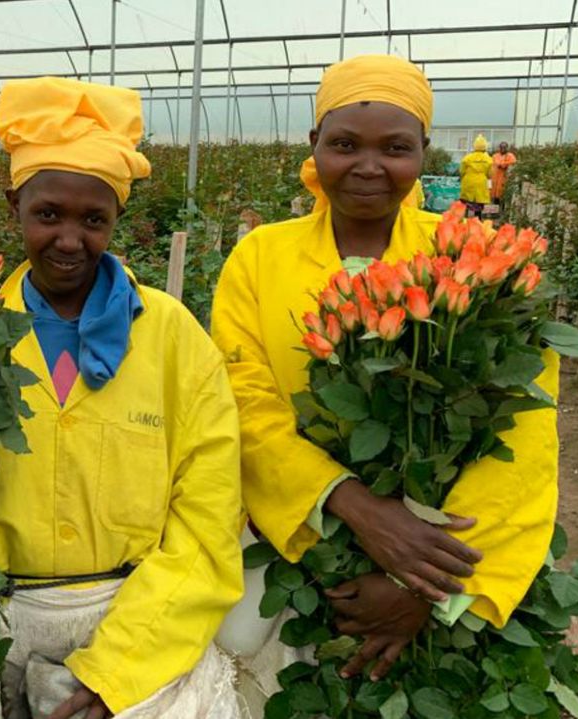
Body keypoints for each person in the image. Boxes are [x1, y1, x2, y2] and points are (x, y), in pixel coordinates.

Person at [210, 55, 559, 715]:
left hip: (442, 564)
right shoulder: (259, 257)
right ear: (314, 147)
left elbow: (525, 428)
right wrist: (356, 512)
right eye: (344, 144)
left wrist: (419, 583)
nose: (368, 165)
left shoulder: (473, 253)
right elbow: (242, 405)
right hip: (297, 544)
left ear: (426, 153)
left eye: (395, 148)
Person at [0, 76, 244, 719]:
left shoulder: (170, 334)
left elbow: (207, 517)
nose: (69, 240)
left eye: (93, 219)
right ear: (13, 202)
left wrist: (120, 671)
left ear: (118, 219)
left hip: (139, 616)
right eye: (47, 214)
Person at [459, 133, 494, 217]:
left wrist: (463, 177)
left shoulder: (467, 158)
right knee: (479, 203)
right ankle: (477, 221)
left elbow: (462, 171)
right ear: (485, 147)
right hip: (481, 183)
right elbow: (490, 174)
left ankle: (465, 220)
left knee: (466, 202)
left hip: (468, 181)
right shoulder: (489, 159)